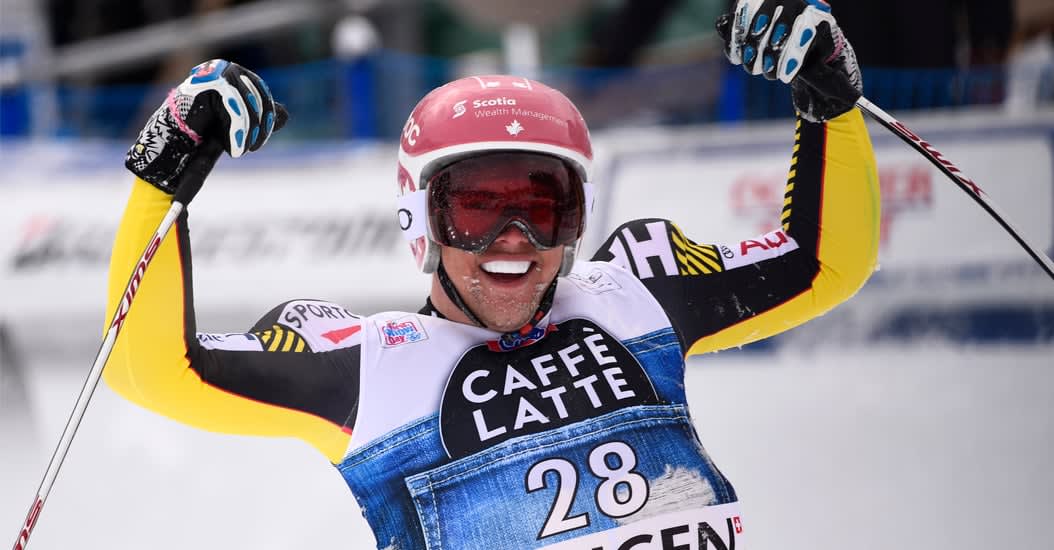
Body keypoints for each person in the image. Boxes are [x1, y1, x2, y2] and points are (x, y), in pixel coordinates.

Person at [103, 0, 879, 547]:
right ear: (420, 218)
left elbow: (825, 265)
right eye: (476, 208)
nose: (516, 240)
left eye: (545, 204)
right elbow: (150, 371)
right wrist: (163, 173)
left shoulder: (636, 296)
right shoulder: (367, 370)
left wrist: (830, 96)